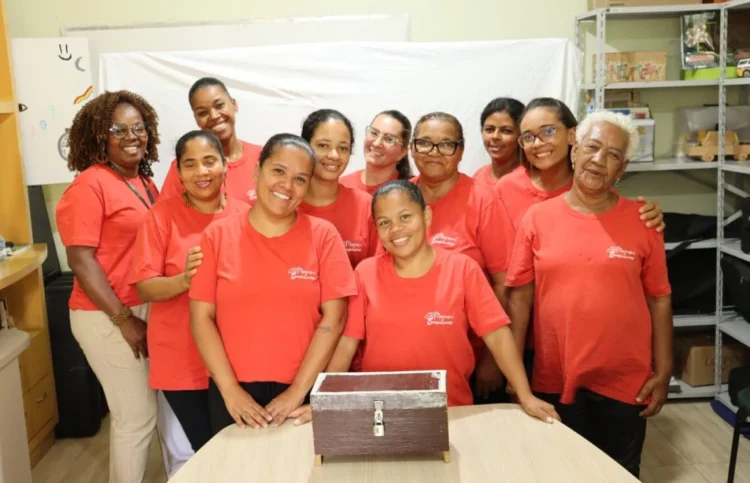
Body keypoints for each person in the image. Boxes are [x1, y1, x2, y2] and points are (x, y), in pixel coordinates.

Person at [505, 110, 673, 478]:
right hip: (555, 375)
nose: (599, 160)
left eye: (613, 155)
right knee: (559, 472)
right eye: (593, 148)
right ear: (575, 150)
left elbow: (659, 298)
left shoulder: (644, 221)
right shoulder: (537, 219)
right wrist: (514, 372)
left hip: (626, 380)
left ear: (622, 169)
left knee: (620, 473)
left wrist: (665, 369)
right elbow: (520, 299)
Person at [189, 133, 357, 434]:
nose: (287, 186)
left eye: (300, 179)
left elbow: (335, 317)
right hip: (234, 396)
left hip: (302, 392)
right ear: (257, 171)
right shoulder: (218, 235)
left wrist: (298, 392)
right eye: (278, 171)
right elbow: (201, 317)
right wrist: (229, 390)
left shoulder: (323, 235)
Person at [56, 90, 161, 483]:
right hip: (106, 315)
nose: (132, 136)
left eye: (139, 127)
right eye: (119, 129)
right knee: (135, 418)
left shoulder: (145, 182)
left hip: (143, 307)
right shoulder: (89, 185)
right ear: (101, 135)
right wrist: (124, 319)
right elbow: (81, 262)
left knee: (150, 412)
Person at [129, 131, 250, 468]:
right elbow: (145, 287)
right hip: (182, 359)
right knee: (210, 453)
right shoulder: (161, 216)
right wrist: (184, 280)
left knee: (243, 453)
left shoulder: (247, 215)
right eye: (190, 164)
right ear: (178, 172)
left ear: (225, 164)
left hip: (239, 359)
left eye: (210, 160)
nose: (202, 172)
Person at [409, 111, 516, 404]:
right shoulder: (399, 197)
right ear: (411, 147)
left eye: (446, 144)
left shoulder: (482, 201)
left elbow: (504, 283)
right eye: (425, 143)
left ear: (460, 151)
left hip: (467, 358)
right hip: (408, 356)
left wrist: (492, 361)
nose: (434, 153)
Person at [159, 77, 262, 203]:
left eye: (219, 105)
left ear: (234, 104)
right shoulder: (184, 167)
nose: (214, 116)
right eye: (203, 113)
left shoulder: (263, 158)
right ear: (196, 119)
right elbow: (163, 216)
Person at [297, 109, 378, 267]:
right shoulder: (286, 203)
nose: (334, 155)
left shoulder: (366, 206)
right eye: (323, 145)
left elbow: (377, 270)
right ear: (305, 146)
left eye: (342, 148)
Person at [340, 110, 412, 194]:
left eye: (389, 139)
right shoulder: (342, 185)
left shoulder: (409, 193)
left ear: (402, 152)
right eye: (374, 133)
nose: (376, 143)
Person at [472, 97, 525, 192]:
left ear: (521, 135)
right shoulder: (478, 176)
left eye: (506, 131)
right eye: (489, 129)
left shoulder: (530, 180)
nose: (495, 136)